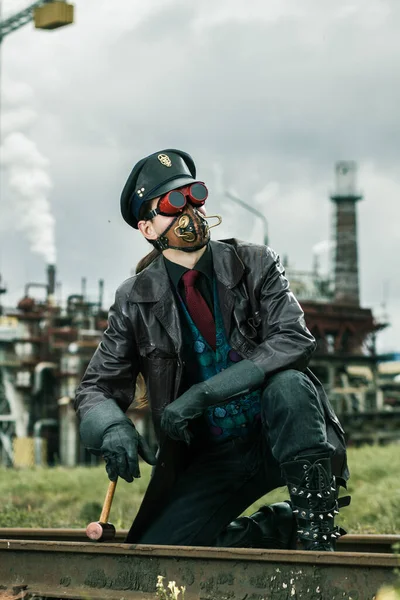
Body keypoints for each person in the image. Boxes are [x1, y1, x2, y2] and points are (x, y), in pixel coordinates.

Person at [75, 149, 350, 551]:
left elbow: (293, 340)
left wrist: (201, 394)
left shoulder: (256, 262)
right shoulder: (134, 298)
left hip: (281, 435)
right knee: (162, 554)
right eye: (171, 204)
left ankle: (316, 530)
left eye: (193, 195)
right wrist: (111, 427)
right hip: (214, 455)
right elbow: (94, 388)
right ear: (148, 228)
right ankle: (276, 528)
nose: (189, 211)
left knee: (289, 385)